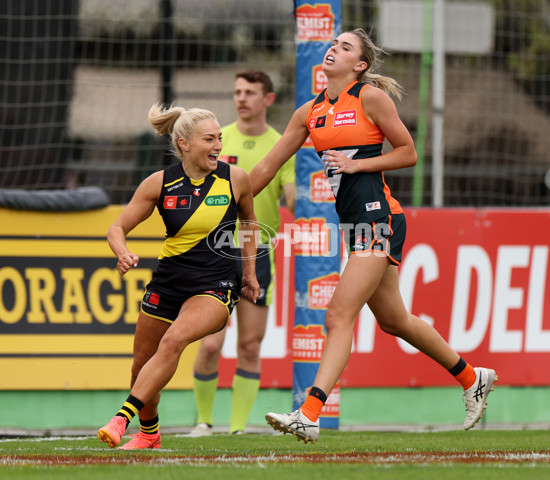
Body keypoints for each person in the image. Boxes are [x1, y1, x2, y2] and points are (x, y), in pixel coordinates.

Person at [250, 29, 498, 444]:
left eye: (345, 47)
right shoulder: (308, 112)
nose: (334, 48)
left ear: (360, 65)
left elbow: (408, 152)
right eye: (334, 44)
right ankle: (473, 377)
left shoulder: (369, 98)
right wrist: (230, 199)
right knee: (394, 321)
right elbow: (266, 169)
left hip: (380, 219)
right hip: (356, 224)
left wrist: (357, 167)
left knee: (337, 316)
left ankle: (309, 414)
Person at [97, 103, 260, 449]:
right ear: (184, 144)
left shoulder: (236, 179)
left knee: (174, 341)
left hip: (215, 286)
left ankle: (121, 418)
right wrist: (122, 252)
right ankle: (149, 433)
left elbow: (248, 224)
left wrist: (249, 272)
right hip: (168, 283)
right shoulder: (159, 183)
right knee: (141, 366)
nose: (218, 145)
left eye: (219, 138)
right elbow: (117, 228)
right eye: (209, 139)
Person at [190, 70, 295, 436]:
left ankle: (236, 429)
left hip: (259, 252)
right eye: (236, 91)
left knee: (250, 345)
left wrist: (311, 198)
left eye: (249, 92)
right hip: (215, 249)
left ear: (268, 99)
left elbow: (296, 198)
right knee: (209, 344)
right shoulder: (218, 141)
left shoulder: (283, 145)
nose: (241, 98)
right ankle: (203, 421)